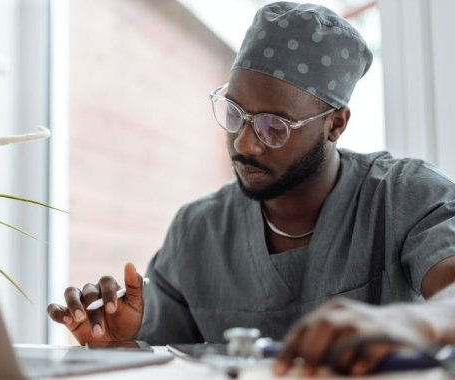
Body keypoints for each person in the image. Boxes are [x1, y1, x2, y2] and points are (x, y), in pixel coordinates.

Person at [48, 1, 455, 376]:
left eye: (274, 127)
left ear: (335, 124)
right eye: (234, 112)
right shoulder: (199, 231)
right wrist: (120, 342)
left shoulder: (405, 197)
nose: (244, 143)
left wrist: (410, 321)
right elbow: (164, 357)